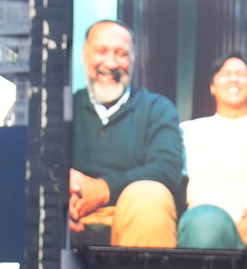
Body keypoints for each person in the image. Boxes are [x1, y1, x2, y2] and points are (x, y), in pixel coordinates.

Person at [69, 19, 183, 248]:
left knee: (150, 197)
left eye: (121, 53)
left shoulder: (158, 109)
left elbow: (167, 170)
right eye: (101, 51)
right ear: (85, 55)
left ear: (133, 60)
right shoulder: (61, 108)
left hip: (135, 217)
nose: (111, 63)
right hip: (72, 218)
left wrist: (103, 189)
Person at [177, 52, 247, 249]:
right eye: (226, 73)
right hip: (202, 230)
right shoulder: (188, 131)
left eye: (241, 74)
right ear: (212, 87)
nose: (234, 78)